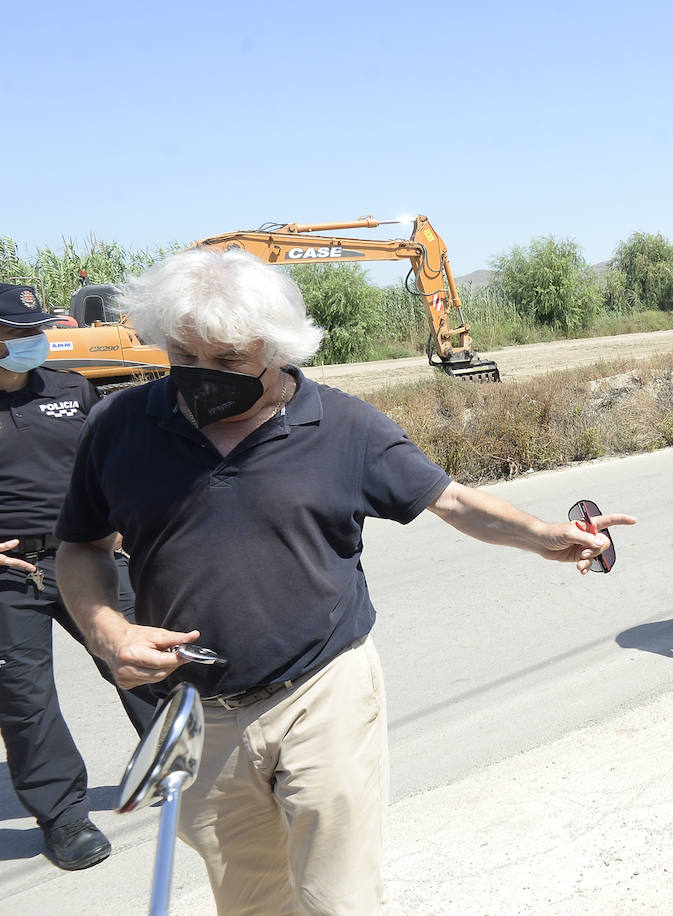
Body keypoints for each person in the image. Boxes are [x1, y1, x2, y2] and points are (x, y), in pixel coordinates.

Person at [54, 249, 635, 913]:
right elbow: (82, 547)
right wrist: (108, 631)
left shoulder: (345, 427)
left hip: (321, 693)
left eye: (227, 361)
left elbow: (450, 501)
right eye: (183, 356)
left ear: (278, 349)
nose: (200, 376)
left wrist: (541, 535)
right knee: (250, 903)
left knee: (337, 900)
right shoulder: (120, 425)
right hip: (199, 712)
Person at [0, 283, 157, 871]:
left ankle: (181, 766)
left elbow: (113, 461)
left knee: (139, 660)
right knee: (25, 699)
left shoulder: (71, 388)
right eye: (17, 332)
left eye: (35, 329)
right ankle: (64, 817)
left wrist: (127, 520)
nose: (32, 340)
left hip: (87, 553)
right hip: (12, 574)